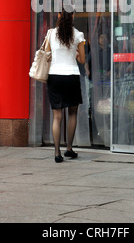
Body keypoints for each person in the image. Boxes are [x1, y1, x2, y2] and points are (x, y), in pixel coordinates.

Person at [45, 8, 85, 163]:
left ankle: (57, 152)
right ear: (73, 17)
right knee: (72, 114)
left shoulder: (51, 34)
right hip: (71, 76)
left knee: (57, 116)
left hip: (54, 76)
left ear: (59, 16)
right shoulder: (78, 35)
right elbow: (82, 60)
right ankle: (69, 148)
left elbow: (47, 53)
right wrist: (74, 54)